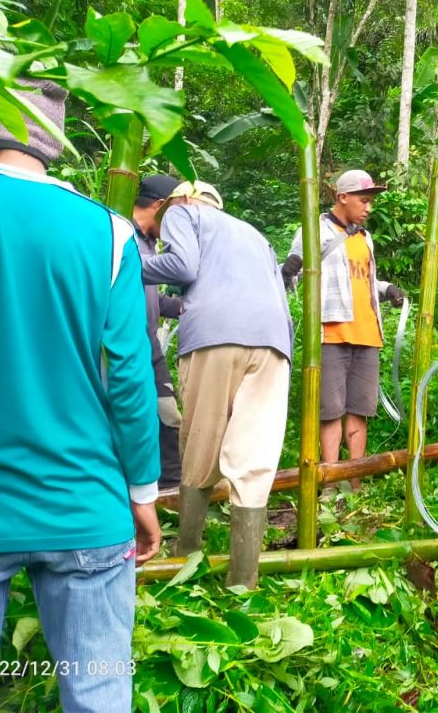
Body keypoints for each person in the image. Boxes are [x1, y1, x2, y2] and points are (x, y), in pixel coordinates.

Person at [0, 80, 161, 712]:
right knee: (98, 691)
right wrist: (143, 492)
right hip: (82, 501)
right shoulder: (108, 232)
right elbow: (129, 377)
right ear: (53, 140)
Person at [142, 180, 293, 588]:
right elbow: (281, 299)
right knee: (253, 457)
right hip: (273, 343)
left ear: (182, 200)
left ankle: (185, 551)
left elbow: (182, 266)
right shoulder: (254, 234)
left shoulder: (183, 211)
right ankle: (243, 580)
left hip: (214, 337)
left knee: (201, 442)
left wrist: (125, 264)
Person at [283, 170, 405, 491]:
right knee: (330, 411)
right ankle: (330, 484)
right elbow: (291, 274)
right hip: (331, 332)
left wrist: (387, 289)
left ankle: (355, 484)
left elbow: (362, 280)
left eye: (370, 202)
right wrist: (287, 270)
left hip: (367, 334)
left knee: (359, 410)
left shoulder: (364, 237)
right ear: (343, 197)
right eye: (363, 201)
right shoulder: (314, 230)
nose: (368, 208)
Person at [133, 174, 184, 491]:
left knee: (169, 416)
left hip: (150, 345)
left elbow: (152, 299)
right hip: (123, 344)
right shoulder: (123, 238)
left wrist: (182, 306)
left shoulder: (150, 245)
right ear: (160, 206)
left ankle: (171, 491)